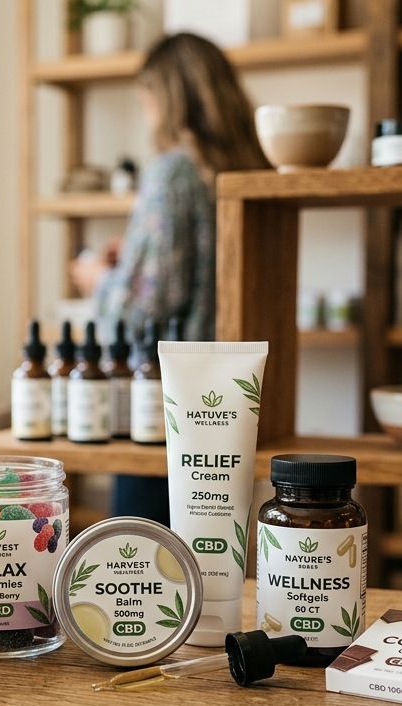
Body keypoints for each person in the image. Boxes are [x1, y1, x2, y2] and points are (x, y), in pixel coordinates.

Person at [68, 32, 270, 523]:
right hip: (232, 406)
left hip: (166, 410)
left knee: (147, 569)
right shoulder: (250, 170)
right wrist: (133, 256)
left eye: (145, 100)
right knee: (214, 564)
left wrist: (97, 277)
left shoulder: (172, 174)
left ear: (166, 97)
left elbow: (140, 304)